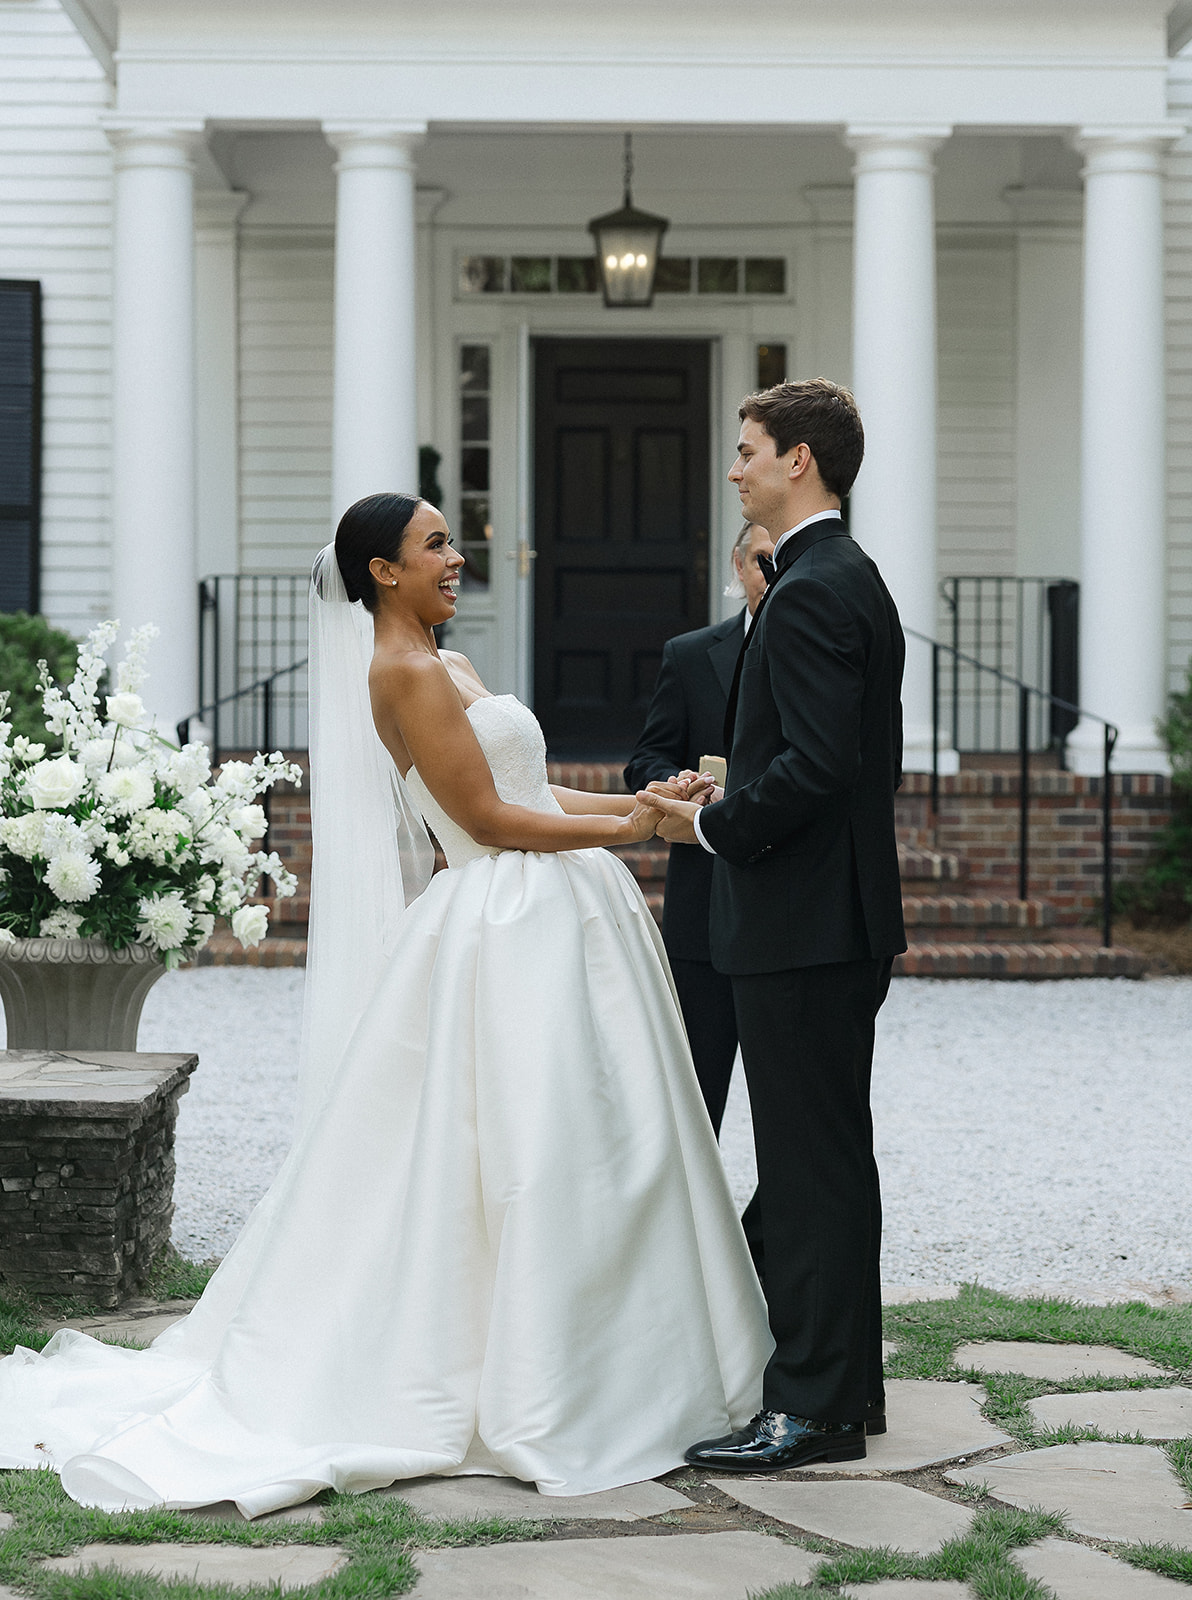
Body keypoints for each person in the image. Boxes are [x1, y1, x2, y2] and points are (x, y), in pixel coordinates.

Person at [0, 493, 771, 1516]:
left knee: (599, 1139)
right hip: (504, 929)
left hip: (554, 910)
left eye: (453, 540)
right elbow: (486, 819)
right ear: (381, 572)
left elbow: (529, 788)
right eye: (435, 545)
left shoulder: (447, 661)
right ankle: (538, 1379)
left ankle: (632, 1353)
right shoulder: (400, 671)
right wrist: (629, 828)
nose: (458, 557)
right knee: (528, 1153)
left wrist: (643, 807)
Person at [640, 379, 906, 1473]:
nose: (736, 466)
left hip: (802, 922)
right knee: (823, 1163)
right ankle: (835, 1391)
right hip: (826, 917)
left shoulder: (806, 591)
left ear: (800, 460)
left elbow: (813, 768)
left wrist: (711, 826)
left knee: (809, 1171)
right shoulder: (838, 577)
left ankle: (812, 1410)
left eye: (747, 449)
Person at [623, 522, 774, 1134]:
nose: (773, 572)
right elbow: (647, 758)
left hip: (787, 896)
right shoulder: (689, 654)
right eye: (763, 560)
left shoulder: (820, 649)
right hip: (704, 902)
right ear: (738, 568)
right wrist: (678, 783)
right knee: (693, 1091)